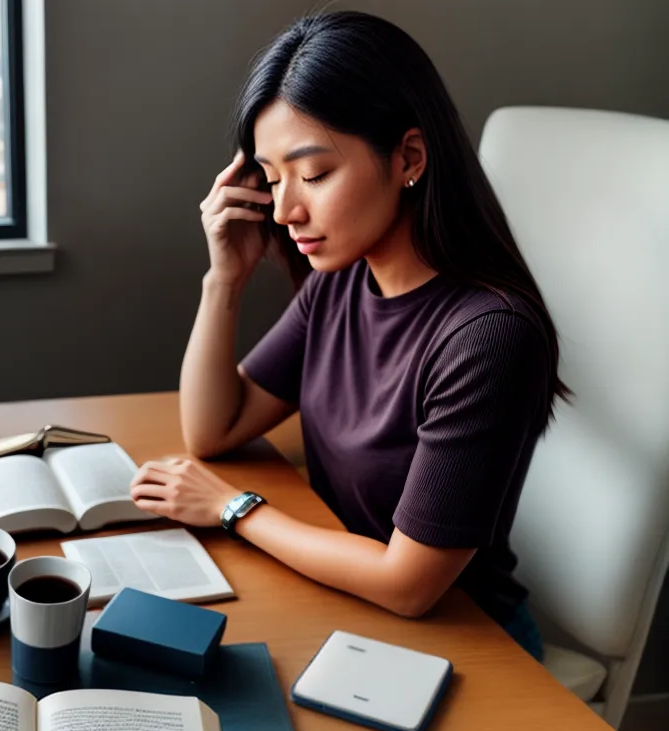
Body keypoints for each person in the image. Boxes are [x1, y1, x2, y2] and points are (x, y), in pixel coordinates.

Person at [129, 11, 568, 660]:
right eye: (272, 180)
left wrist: (234, 510)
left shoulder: (488, 338)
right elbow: (215, 427)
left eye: (312, 175)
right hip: (346, 607)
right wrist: (224, 278)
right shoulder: (340, 281)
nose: (284, 211)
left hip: (465, 645)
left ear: (409, 158)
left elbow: (410, 585)